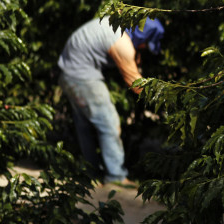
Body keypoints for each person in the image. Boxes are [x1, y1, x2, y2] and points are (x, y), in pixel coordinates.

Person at [57, 17, 165, 186]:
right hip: (82, 76)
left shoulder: (116, 24)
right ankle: (116, 177)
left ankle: (90, 174)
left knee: (85, 126)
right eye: (146, 45)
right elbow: (134, 82)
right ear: (143, 38)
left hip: (68, 73)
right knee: (109, 122)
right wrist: (165, 99)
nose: (144, 49)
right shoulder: (122, 44)